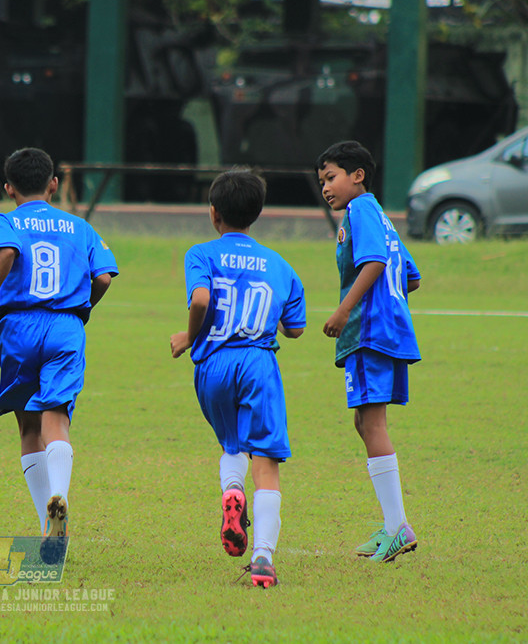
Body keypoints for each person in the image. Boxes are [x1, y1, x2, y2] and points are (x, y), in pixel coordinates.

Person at [0, 147, 118, 556]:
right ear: (54, 184)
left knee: (28, 426)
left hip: (17, 326)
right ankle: (60, 493)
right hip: (65, 326)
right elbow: (103, 277)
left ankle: (46, 527)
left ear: (8, 187)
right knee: (57, 419)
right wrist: (81, 309)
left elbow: (7, 254)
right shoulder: (79, 226)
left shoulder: (4, 220)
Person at [169, 170, 306, 589]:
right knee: (265, 462)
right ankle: (263, 557)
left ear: (214, 214)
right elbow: (295, 327)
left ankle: (232, 490)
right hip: (257, 362)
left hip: (212, 364)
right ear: (257, 215)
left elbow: (202, 297)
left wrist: (188, 336)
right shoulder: (280, 265)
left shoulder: (201, 253)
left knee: (232, 445)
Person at [315, 140, 421, 563]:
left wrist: (344, 310)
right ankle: (391, 522)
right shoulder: (381, 215)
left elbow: (375, 262)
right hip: (390, 329)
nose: (325, 187)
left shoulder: (360, 211)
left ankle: (398, 527)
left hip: (369, 331)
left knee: (372, 423)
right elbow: (410, 276)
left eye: (331, 176)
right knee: (365, 421)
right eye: (321, 181)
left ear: (358, 175)